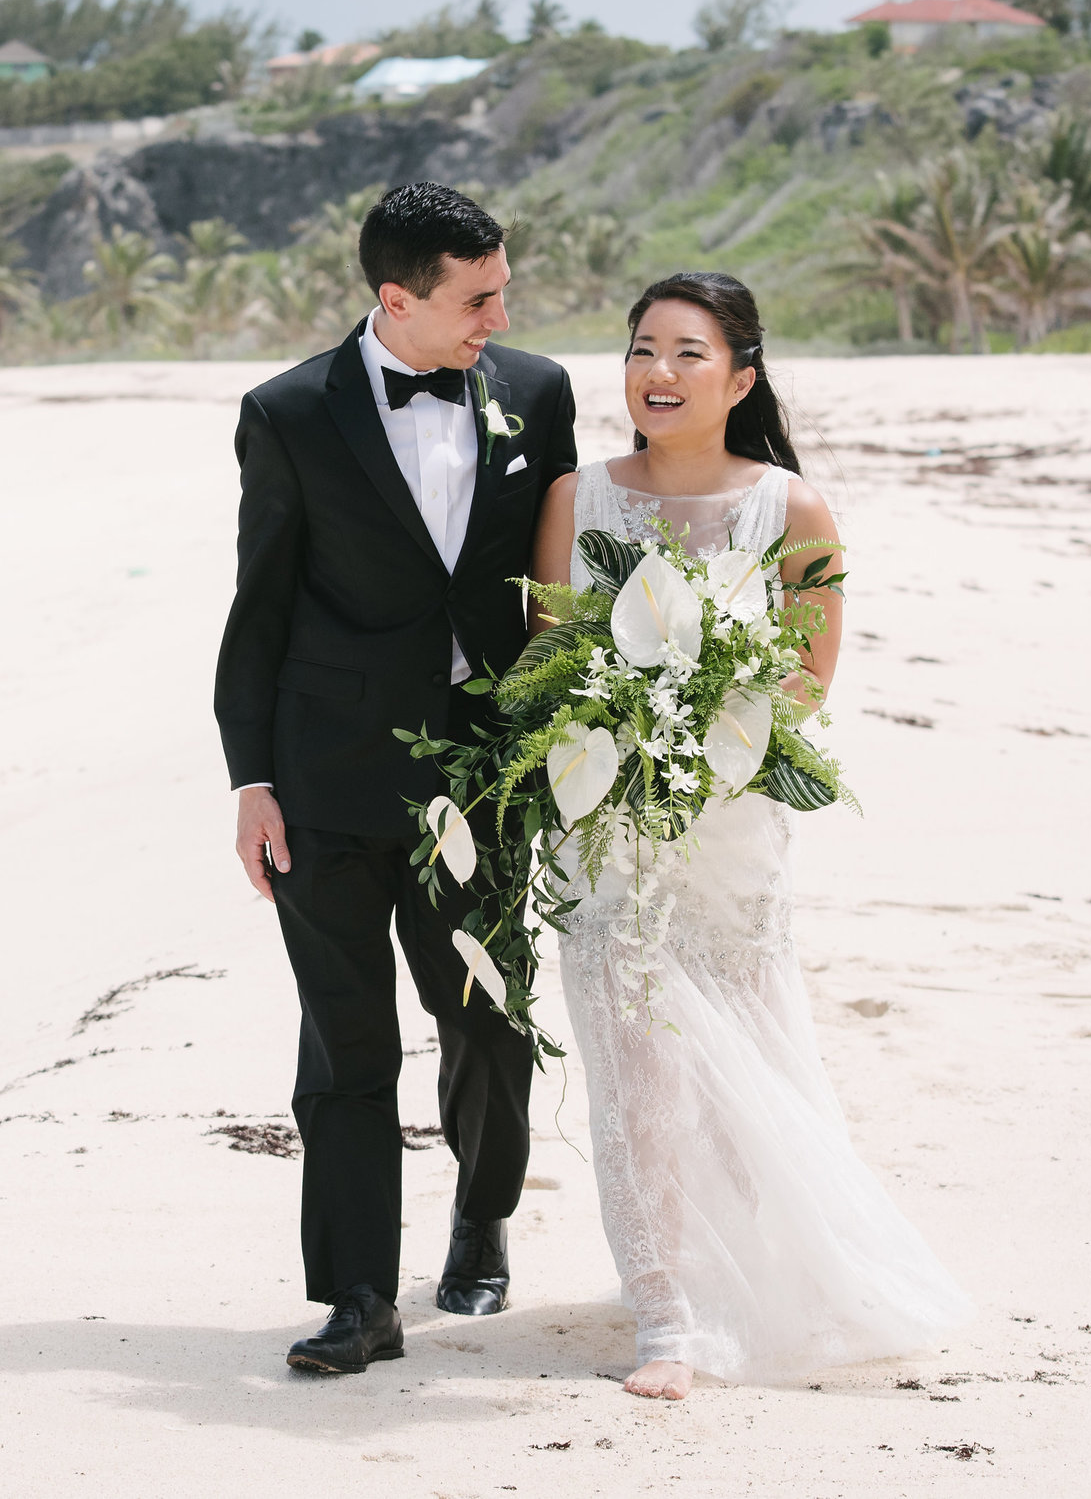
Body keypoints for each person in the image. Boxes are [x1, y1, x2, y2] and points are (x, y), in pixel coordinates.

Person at [529, 270, 970, 1399]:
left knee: (740, 1063)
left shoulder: (794, 509)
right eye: (640, 349)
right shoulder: (578, 498)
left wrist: (688, 722)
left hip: (729, 828)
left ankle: (747, 1275)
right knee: (635, 1067)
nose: (657, 373)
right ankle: (666, 1312)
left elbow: (807, 688)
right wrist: (616, 728)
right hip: (605, 824)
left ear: (741, 375)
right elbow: (543, 661)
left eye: (686, 352)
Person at [214, 183, 580, 1374]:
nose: (498, 314)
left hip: (480, 771)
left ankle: (482, 1217)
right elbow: (256, 608)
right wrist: (250, 778)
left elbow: (554, 581)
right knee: (345, 1039)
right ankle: (359, 1292)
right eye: (477, 297)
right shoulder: (287, 414)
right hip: (324, 776)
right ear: (395, 297)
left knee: (481, 1012)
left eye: (502, 290)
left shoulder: (536, 393)